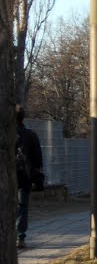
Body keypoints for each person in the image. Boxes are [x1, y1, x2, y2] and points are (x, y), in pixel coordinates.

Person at [16, 105, 44, 249]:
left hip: (8, 176)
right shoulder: (31, 135)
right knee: (22, 206)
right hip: (24, 176)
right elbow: (38, 159)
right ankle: (20, 237)